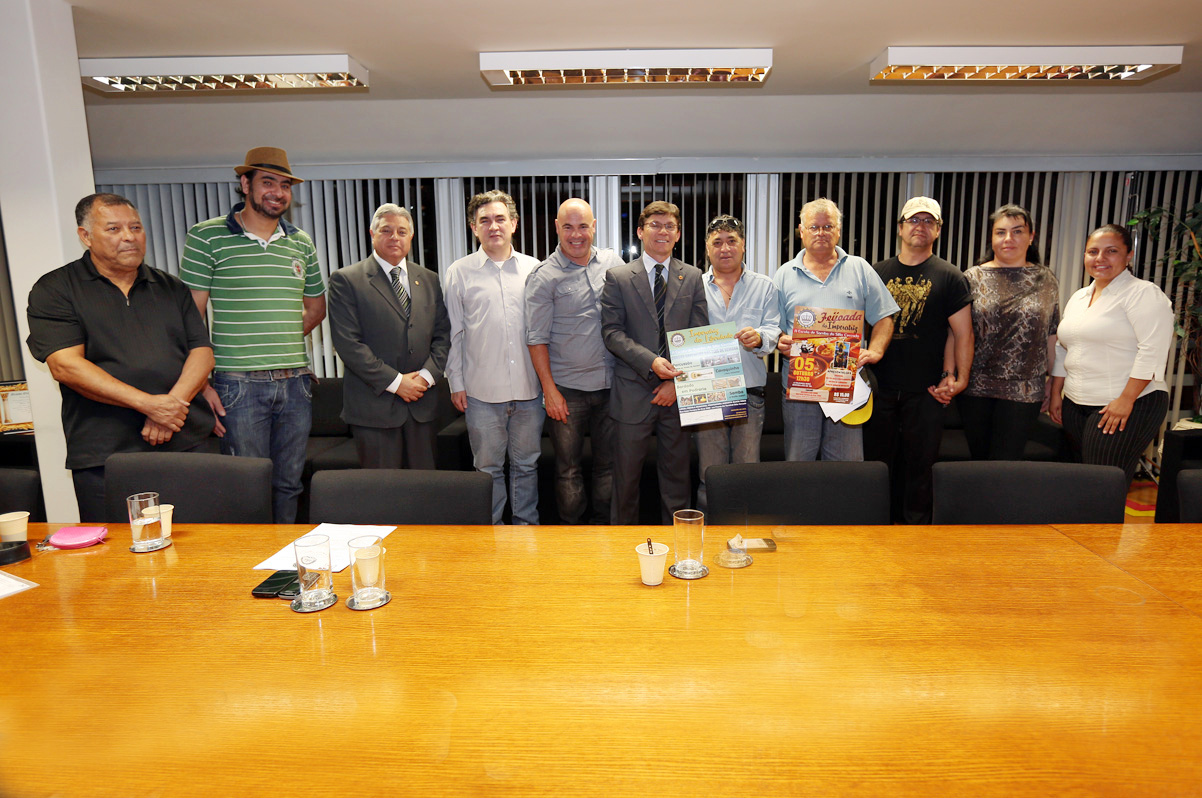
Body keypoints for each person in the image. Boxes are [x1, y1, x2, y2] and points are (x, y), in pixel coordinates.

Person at [26, 193, 215, 521]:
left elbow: (202, 352)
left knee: (203, 550)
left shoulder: (170, 287)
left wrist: (170, 405)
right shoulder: (56, 289)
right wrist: (149, 404)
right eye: (113, 229)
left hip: (187, 441)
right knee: (117, 559)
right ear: (85, 236)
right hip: (106, 453)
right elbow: (66, 365)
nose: (129, 236)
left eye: (136, 227)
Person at [180, 146, 327, 524]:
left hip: (296, 383)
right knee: (247, 487)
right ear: (245, 184)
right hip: (237, 387)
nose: (277, 192)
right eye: (267, 182)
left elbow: (315, 308)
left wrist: (280, 339)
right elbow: (189, 319)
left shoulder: (301, 242)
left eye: (284, 185)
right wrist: (202, 386)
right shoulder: (207, 237)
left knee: (290, 485)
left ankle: (287, 569)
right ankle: (249, 570)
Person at [865, 197, 973, 524]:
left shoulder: (950, 276)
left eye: (928, 221)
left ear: (938, 230)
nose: (920, 227)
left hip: (926, 390)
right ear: (900, 228)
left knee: (920, 467)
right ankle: (878, 527)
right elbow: (857, 326)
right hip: (879, 387)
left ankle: (915, 535)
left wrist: (958, 377)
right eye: (914, 220)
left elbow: (963, 334)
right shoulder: (876, 272)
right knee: (878, 465)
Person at [601, 200, 709, 525]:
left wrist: (676, 382)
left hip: (677, 397)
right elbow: (611, 333)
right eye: (655, 225)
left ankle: (680, 553)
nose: (662, 231)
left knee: (677, 485)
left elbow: (700, 336)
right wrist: (652, 363)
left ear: (677, 234)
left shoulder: (692, 276)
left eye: (669, 226)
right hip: (632, 395)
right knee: (625, 485)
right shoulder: (618, 277)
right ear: (640, 230)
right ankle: (622, 556)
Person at [445, 190, 544, 525]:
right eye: (484, 220)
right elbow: (454, 333)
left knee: (526, 467)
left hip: (531, 392)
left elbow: (545, 333)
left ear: (514, 224)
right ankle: (491, 536)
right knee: (486, 470)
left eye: (500, 218)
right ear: (474, 228)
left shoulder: (535, 269)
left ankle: (526, 532)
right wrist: (455, 382)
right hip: (481, 393)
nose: (493, 226)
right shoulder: (459, 272)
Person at [774, 198, 898, 461]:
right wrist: (780, 340)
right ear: (801, 231)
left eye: (828, 226)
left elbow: (885, 315)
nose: (821, 233)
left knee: (846, 468)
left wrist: (876, 350)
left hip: (846, 385)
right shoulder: (784, 274)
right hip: (801, 388)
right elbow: (772, 327)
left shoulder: (859, 268)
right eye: (814, 227)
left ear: (838, 231)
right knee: (798, 465)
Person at [327, 203, 450, 469]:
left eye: (402, 231)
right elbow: (348, 344)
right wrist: (396, 382)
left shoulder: (428, 279)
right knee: (382, 496)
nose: (394, 237)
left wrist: (426, 378)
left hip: (422, 406)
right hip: (374, 408)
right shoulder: (346, 280)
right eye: (386, 230)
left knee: (423, 491)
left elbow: (442, 336)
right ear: (372, 233)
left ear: (411, 237)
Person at [1049, 224, 1174, 484]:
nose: (1100, 259)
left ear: (1129, 255)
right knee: (1080, 484)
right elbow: (1063, 348)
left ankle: (1101, 528)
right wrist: (1055, 394)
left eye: (1111, 251)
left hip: (1128, 402)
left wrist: (1125, 400)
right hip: (1076, 402)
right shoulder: (1080, 297)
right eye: (1092, 251)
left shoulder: (1143, 293)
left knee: (1101, 486)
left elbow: (1152, 350)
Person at [525, 198, 624, 524]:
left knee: (608, 466)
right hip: (567, 393)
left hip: (611, 387)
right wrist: (549, 391)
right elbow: (536, 338)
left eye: (583, 226)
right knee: (568, 470)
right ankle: (572, 539)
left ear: (594, 226)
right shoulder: (543, 276)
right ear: (557, 228)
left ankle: (603, 536)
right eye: (568, 226)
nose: (576, 234)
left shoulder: (613, 262)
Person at [959, 204, 1059, 461]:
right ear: (991, 237)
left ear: (1031, 236)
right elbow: (959, 334)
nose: (1008, 239)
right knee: (979, 462)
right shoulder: (972, 277)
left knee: (1006, 464)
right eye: (1000, 232)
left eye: (1017, 231)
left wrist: (1053, 382)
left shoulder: (1045, 279)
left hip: (1025, 391)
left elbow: (1051, 333)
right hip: (976, 388)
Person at [695, 214, 780, 511]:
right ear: (707, 248)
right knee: (709, 475)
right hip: (708, 393)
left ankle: (744, 536)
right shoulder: (693, 285)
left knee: (746, 475)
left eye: (732, 241)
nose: (725, 248)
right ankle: (708, 537)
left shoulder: (765, 286)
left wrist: (759, 337)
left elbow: (774, 329)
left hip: (749, 394)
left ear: (743, 246)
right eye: (717, 242)